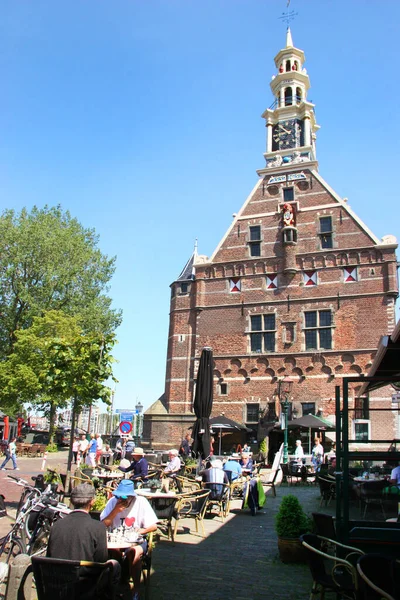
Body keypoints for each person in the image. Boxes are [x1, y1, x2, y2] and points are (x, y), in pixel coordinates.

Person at [47, 483, 120, 598]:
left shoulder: (56, 525)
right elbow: (101, 562)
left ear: (71, 501)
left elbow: (49, 556)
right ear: (92, 502)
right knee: (115, 565)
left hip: (57, 588)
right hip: (84, 590)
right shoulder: (97, 527)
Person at [101, 479, 157, 600]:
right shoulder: (112, 502)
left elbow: (154, 526)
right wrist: (115, 511)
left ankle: (135, 591)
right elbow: (103, 524)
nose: (121, 499)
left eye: (124, 497)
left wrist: (140, 531)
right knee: (113, 552)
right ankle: (113, 589)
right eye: (119, 496)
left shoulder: (141, 502)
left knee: (134, 553)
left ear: (131, 496)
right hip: (116, 541)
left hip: (135, 542)